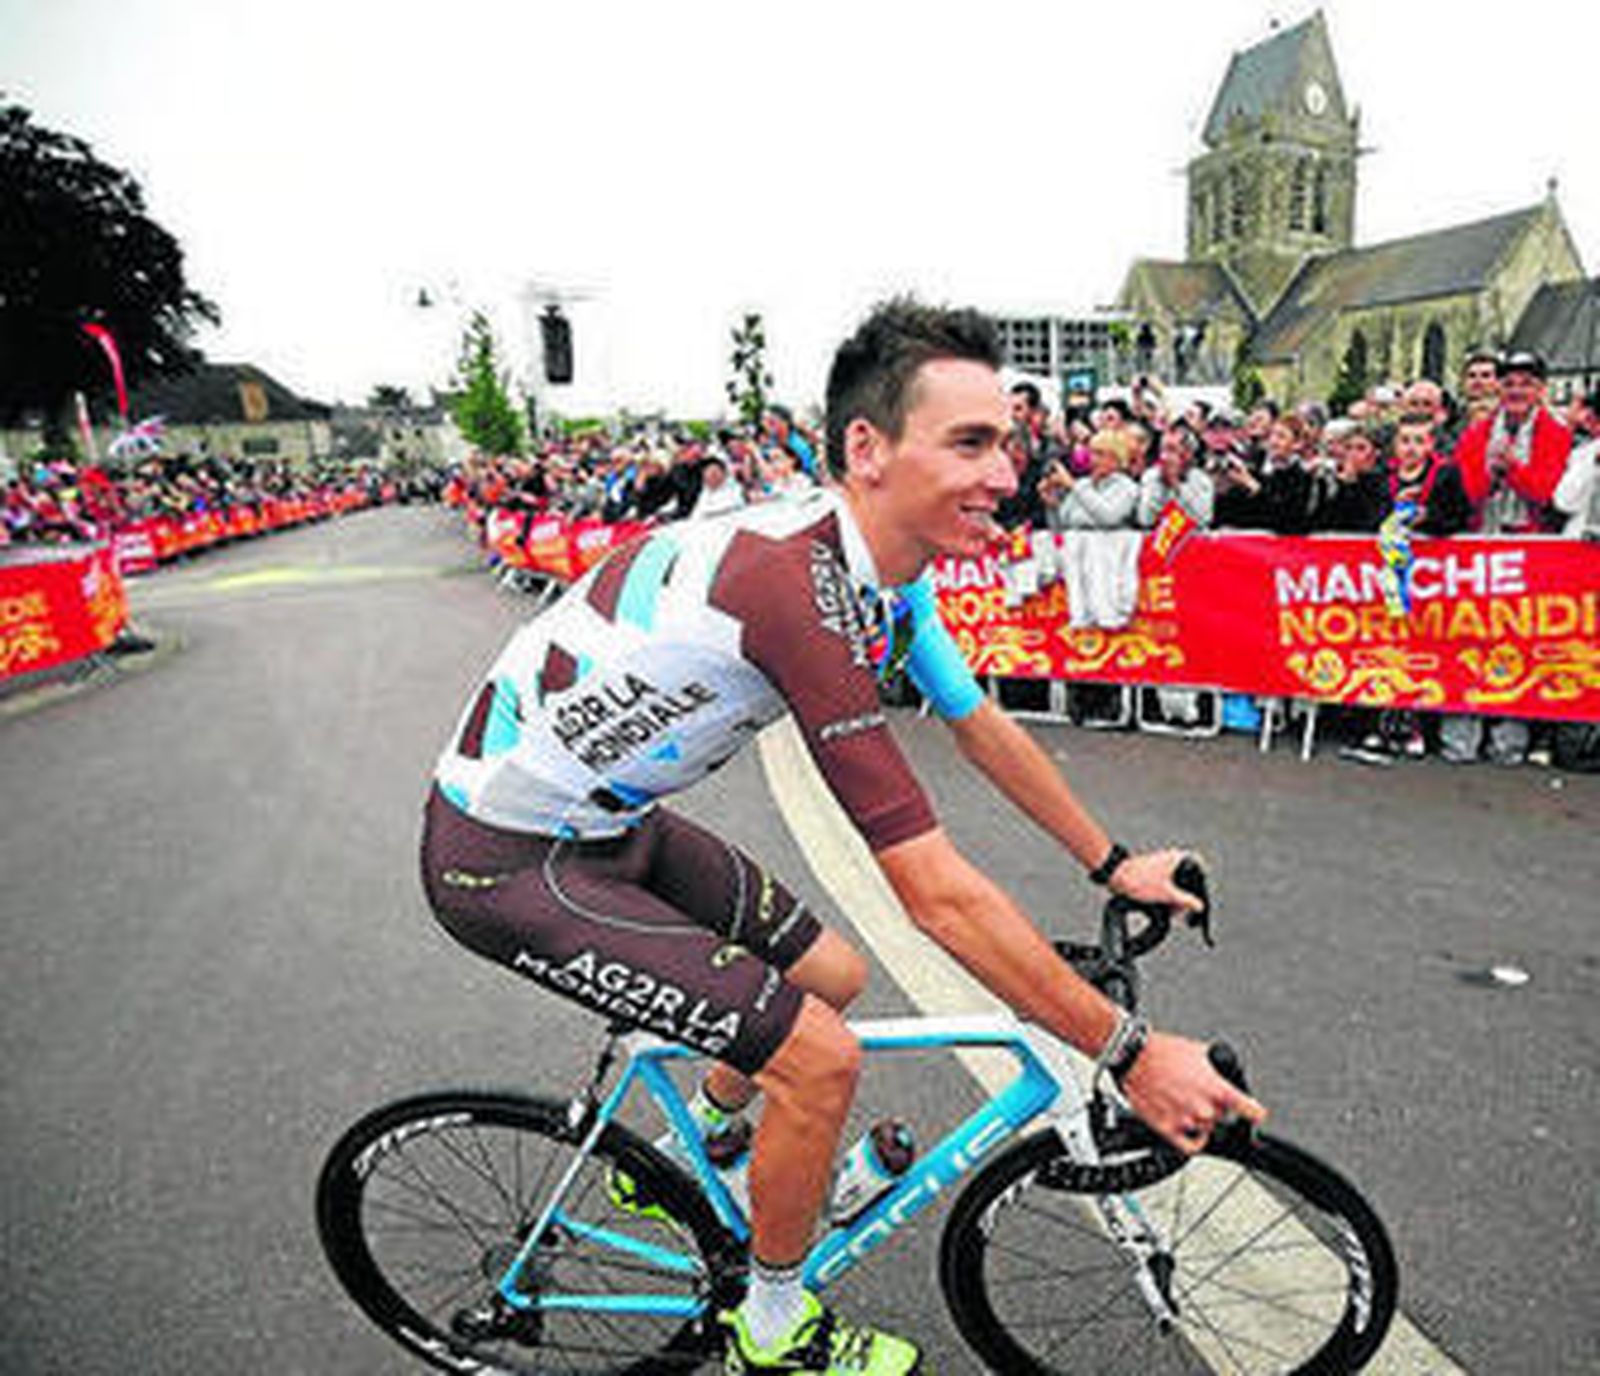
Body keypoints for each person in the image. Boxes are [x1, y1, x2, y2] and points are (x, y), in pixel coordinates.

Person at [419, 298, 1263, 1376]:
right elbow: (936, 891)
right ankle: (770, 1329)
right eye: (969, 442)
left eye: (1006, 439)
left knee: (832, 971)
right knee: (818, 1059)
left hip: (608, 822)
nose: (1006, 472)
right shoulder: (793, 589)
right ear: (866, 449)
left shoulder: (881, 574)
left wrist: (1107, 860)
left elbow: (980, 724)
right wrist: (1127, 1053)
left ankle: (691, 1155)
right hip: (505, 855)